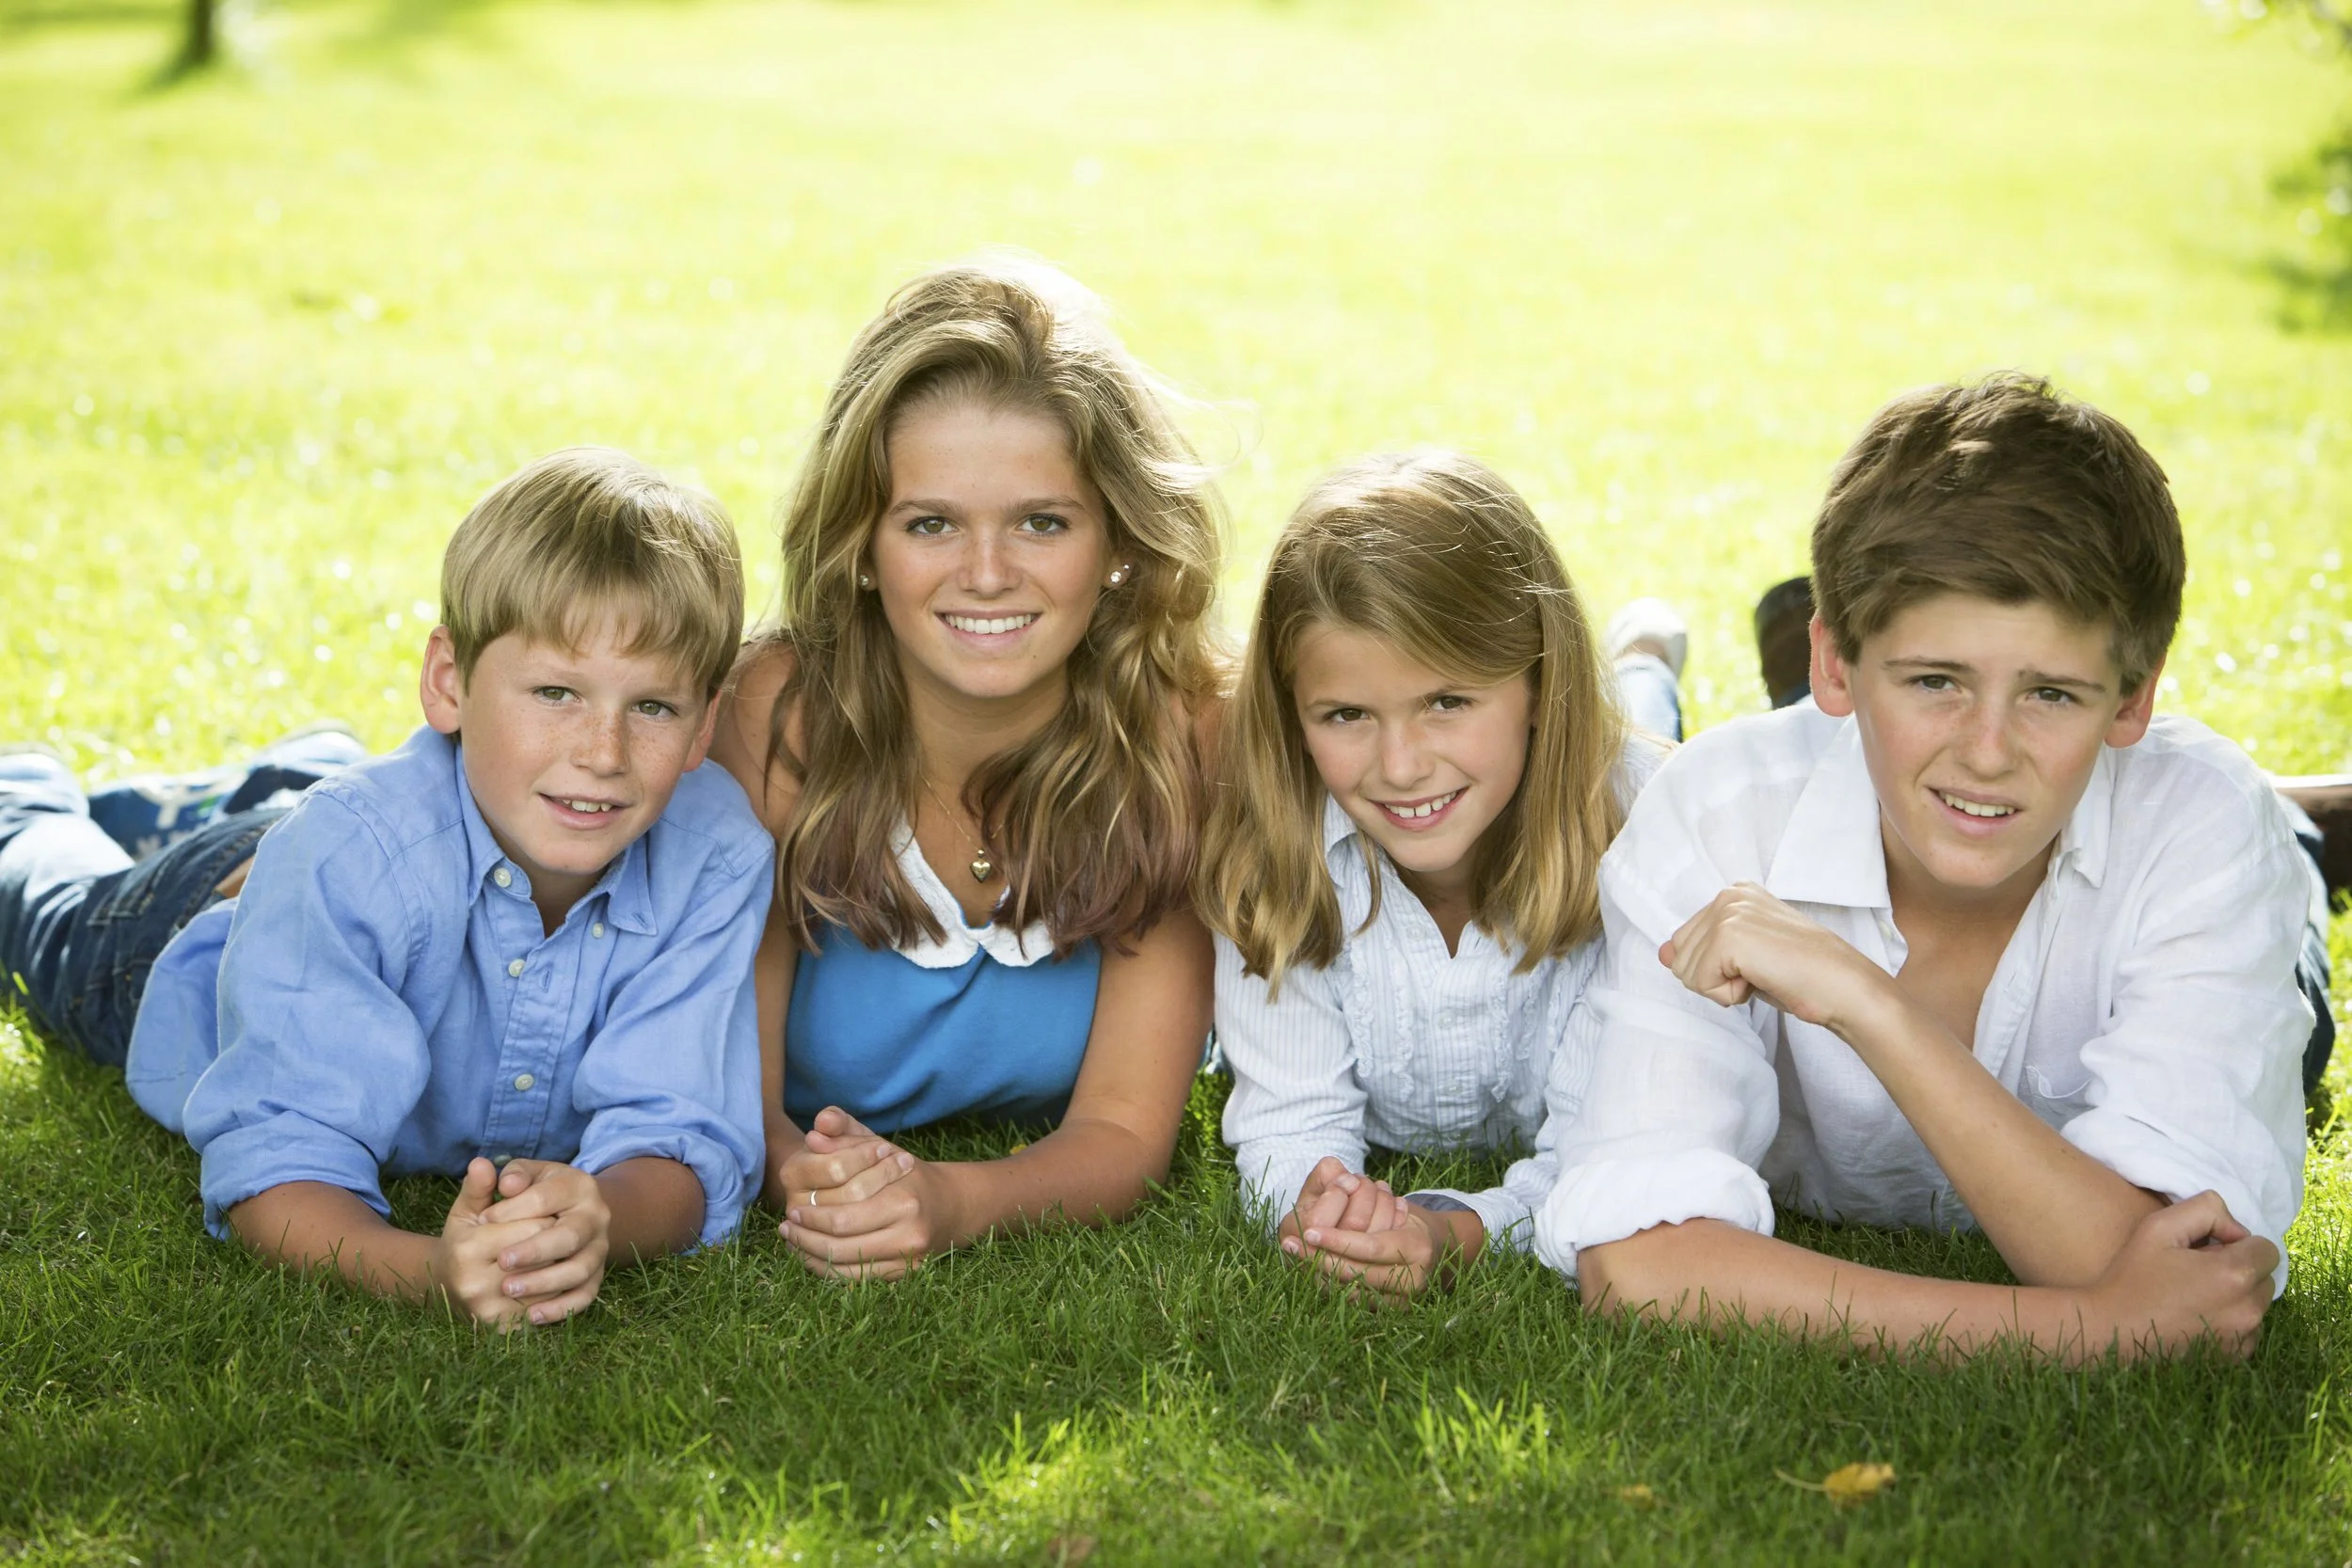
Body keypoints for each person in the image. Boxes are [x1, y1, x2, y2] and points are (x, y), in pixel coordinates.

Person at [1535, 374, 2311, 1362]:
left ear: (2131, 700)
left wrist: (1870, 1003)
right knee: (1686, 743)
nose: (1989, 748)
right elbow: (1637, 1265)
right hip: (1816, 744)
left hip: (2225, 906)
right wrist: (2088, 1331)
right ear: (1840, 662)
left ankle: (2308, 827)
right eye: (1935, 678)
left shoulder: (2200, 827)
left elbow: (2189, 1265)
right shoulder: (1715, 811)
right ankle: (1649, 658)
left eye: (2052, 693)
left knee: (2287, 881)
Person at [0, 448, 771, 1327]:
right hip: (196, 924)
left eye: (654, 707)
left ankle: (295, 766)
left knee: (324, 809)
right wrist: (434, 1271)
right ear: (449, 682)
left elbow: (680, 1132)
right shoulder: (346, 854)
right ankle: (23, 796)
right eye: (556, 690)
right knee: (46, 915)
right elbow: (280, 1157)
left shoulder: (715, 855)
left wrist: (599, 1216)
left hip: (350, 829)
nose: (604, 750)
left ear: (707, 719)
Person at [709, 258, 1221, 1279]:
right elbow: (729, 1093)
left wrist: (949, 1200)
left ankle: (1645, 663)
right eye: (930, 522)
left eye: (1042, 521)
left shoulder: (1183, 730)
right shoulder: (780, 717)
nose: (986, 575)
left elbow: (1124, 1131)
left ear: (1115, 536)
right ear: (863, 542)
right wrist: (794, 1175)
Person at [1201, 451, 1661, 1299]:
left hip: (1613, 761)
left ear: (1537, 681)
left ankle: (1646, 668)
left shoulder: (1648, 839)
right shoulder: (1273, 851)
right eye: (1346, 714)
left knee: (1642, 735)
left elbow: (1609, 1157)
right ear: (1294, 716)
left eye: (1447, 701)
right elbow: (1289, 1124)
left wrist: (1457, 1232)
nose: (1403, 766)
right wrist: (1331, 1216)